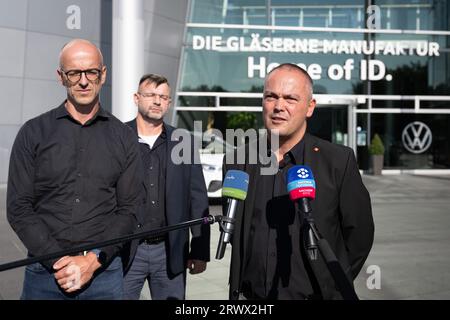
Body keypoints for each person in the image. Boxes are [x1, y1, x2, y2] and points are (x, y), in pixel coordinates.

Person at [224, 63, 374, 300]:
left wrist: (333, 283)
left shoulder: (337, 161)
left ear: (309, 107)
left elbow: (359, 235)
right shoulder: (238, 160)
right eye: (271, 97)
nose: (278, 106)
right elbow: (236, 230)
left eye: (290, 98)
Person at [7, 39, 143, 300]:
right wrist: (60, 261)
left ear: (103, 74)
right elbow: (18, 207)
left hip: (103, 273)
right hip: (45, 273)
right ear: (61, 77)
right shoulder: (33, 133)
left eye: (91, 72)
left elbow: (129, 209)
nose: (83, 81)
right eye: (74, 73)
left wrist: (92, 261)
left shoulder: (124, 137)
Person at [122, 74, 210, 300]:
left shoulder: (184, 141)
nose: (157, 101)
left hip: (170, 251)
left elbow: (197, 198)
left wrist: (200, 251)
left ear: (169, 103)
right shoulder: (117, 137)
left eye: (163, 97)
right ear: (136, 98)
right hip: (126, 250)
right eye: (151, 95)